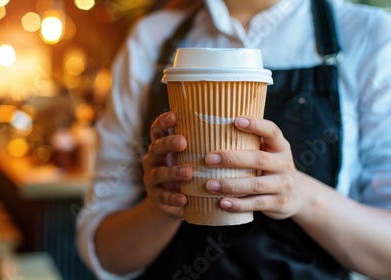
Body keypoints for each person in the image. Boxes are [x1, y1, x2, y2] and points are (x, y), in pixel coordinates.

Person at [76, 0, 391, 279]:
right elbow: (107, 254)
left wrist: (299, 194)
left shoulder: (370, 35)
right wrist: (162, 206)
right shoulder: (151, 39)